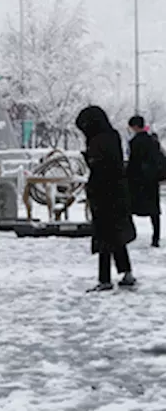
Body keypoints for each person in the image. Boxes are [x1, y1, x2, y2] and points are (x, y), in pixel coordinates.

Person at [79, 106, 136, 290]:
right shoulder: (113, 136)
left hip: (103, 194)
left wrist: (88, 158)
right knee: (116, 236)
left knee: (104, 236)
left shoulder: (97, 141)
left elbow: (99, 167)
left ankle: (104, 279)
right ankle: (126, 272)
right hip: (117, 192)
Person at [126, 116, 162, 248]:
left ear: (135, 126)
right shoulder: (153, 140)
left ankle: (130, 234)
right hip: (151, 181)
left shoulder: (135, 142)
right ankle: (155, 238)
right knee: (154, 211)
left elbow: (133, 162)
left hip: (137, 181)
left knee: (130, 207)